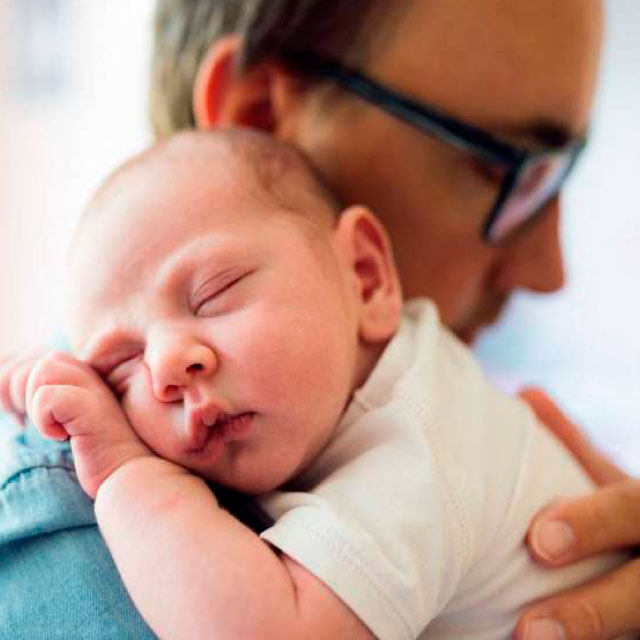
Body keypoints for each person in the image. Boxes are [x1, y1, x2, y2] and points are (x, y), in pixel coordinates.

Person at [2, 0, 639, 638]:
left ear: (365, 272)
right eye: (502, 166)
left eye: (217, 292)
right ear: (263, 119)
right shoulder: (65, 536)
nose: (549, 270)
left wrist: (128, 472)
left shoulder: (420, 430)